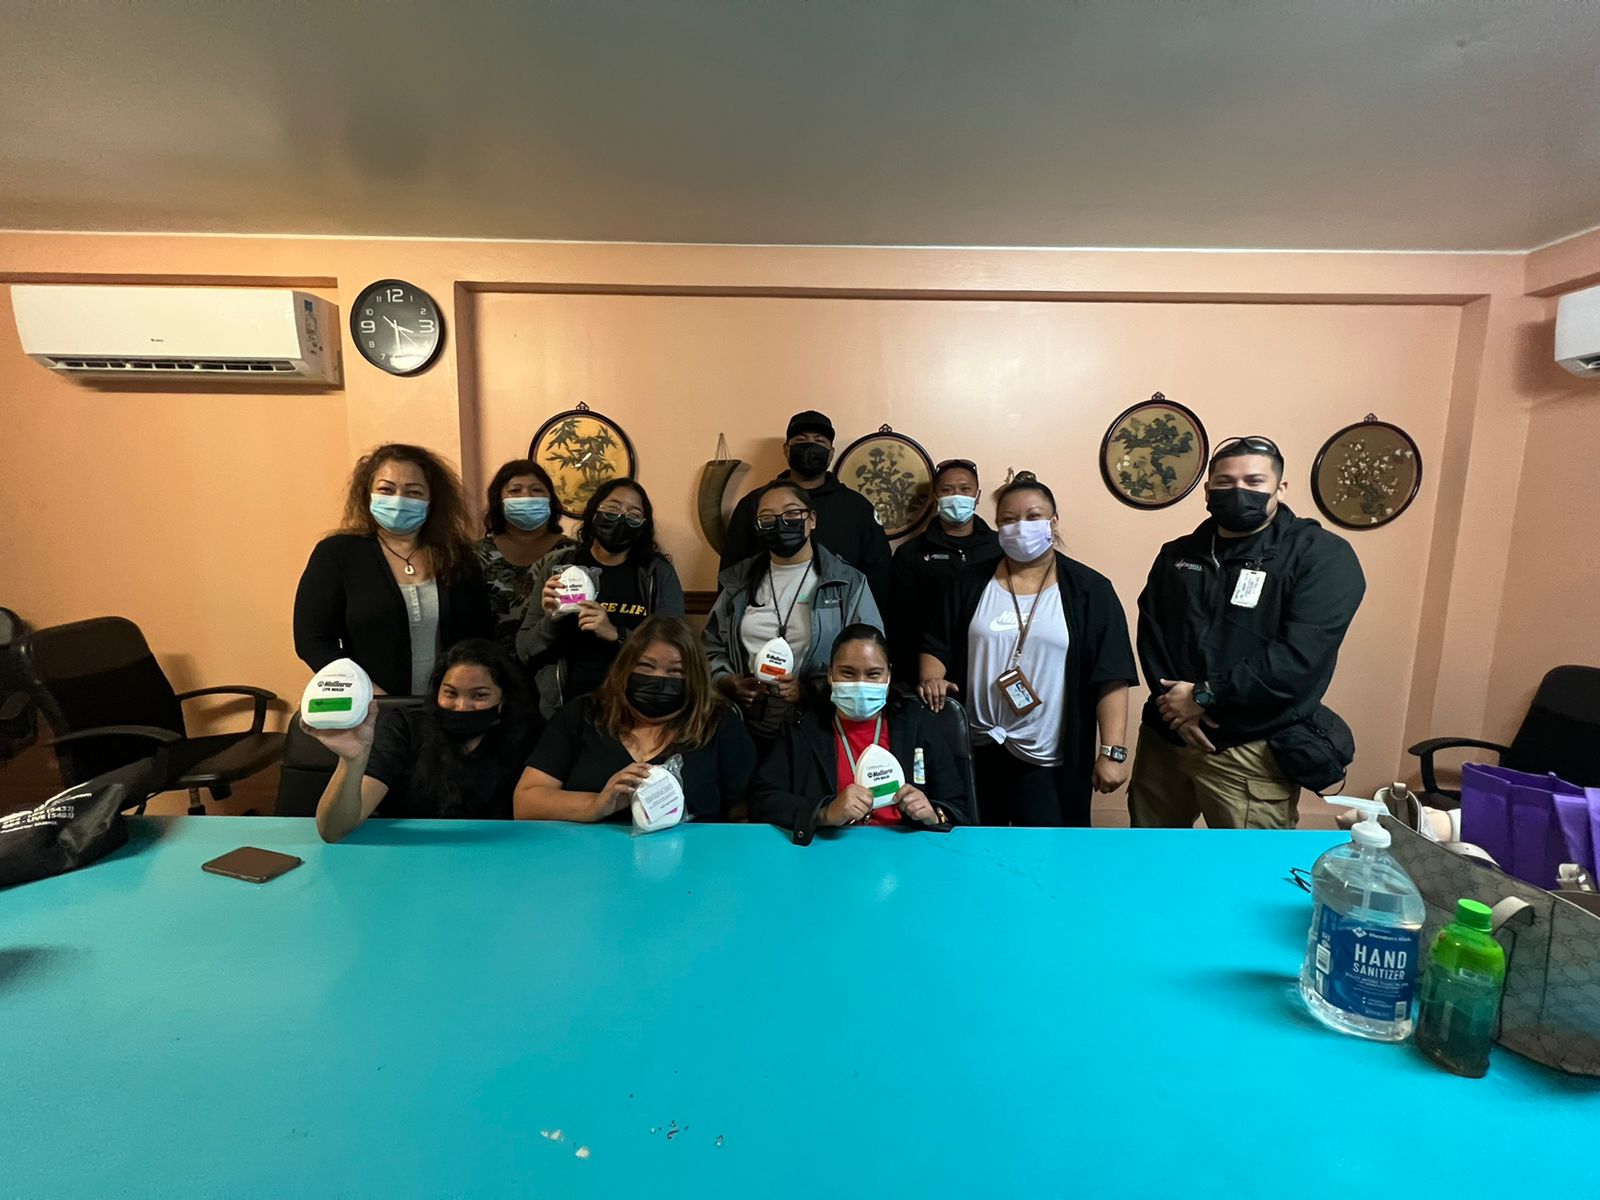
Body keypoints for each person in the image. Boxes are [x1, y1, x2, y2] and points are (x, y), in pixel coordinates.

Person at [1129, 436, 1366, 830]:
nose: (1238, 492)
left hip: (1248, 747)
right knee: (1149, 861)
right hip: (1166, 739)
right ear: (1207, 490)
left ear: (1280, 488)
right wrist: (1175, 707)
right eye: (1224, 482)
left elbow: (1299, 658)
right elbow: (1151, 632)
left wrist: (1206, 696)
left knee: (1247, 876)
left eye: (1254, 482)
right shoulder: (1178, 554)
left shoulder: (1321, 556)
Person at [920, 471, 1137, 828]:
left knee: (1046, 856)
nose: (1021, 526)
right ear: (996, 525)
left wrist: (1112, 752)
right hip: (977, 750)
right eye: (1008, 519)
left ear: (1053, 521)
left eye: (1033, 516)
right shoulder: (967, 584)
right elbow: (936, 644)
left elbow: (1111, 675)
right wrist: (933, 677)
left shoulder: (1090, 590)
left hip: (1050, 757)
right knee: (975, 851)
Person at [294, 443, 492, 696]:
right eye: (387, 490)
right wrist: (363, 689)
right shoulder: (337, 553)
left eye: (414, 492)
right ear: (367, 495)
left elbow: (481, 634)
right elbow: (312, 640)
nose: (399, 500)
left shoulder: (457, 555)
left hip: (449, 710)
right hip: (371, 710)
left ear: (432, 500)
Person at [514, 616, 755, 822]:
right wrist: (597, 804)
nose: (659, 679)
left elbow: (743, 812)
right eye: (646, 667)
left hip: (691, 863)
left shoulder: (718, 723)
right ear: (625, 668)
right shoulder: (582, 714)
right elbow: (526, 802)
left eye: (676, 671)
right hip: (589, 862)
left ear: (694, 677)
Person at [751, 624, 970, 844]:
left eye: (873, 674)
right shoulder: (800, 728)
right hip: (827, 850)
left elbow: (958, 806)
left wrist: (932, 815)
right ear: (830, 674)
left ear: (888, 675)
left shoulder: (917, 724)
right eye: (848, 673)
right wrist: (823, 813)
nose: (860, 684)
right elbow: (763, 799)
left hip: (907, 849)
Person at [704, 481, 883, 749]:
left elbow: (868, 658)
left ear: (811, 520)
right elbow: (709, 645)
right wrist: (727, 681)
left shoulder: (847, 582)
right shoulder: (737, 583)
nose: (780, 524)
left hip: (818, 726)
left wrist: (810, 691)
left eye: (791, 514)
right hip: (743, 725)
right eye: (767, 518)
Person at [310, 639, 540, 842]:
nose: (462, 706)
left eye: (479, 695)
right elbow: (333, 830)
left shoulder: (527, 735)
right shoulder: (404, 727)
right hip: (402, 860)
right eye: (450, 693)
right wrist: (352, 761)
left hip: (493, 862)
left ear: (503, 699)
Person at [514, 478, 684, 719]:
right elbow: (525, 651)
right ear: (593, 513)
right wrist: (551, 620)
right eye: (612, 509)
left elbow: (675, 647)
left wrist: (617, 634)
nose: (621, 519)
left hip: (635, 708)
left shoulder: (657, 572)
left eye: (634, 515)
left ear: (643, 526)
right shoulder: (559, 565)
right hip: (565, 707)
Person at [718, 410, 892, 609]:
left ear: (831, 453)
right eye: (801, 440)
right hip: (763, 621)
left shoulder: (857, 507)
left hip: (841, 623)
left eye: (819, 441)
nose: (810, 446)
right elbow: (731, 571)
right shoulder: (754, 504)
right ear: (786, 449)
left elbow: (879, 576)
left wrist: (868, 633)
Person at [888, 458, 1003, 681]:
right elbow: (900, 623)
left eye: (965, 489)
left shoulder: (1000, 548)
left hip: (988, 664)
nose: (956, 496)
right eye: (947, 490)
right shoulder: (911, 553)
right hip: (925, 671)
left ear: (977, 496)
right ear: (935, 497)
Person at [475, 458, 573, 651]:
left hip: (555, 669)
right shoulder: (475, 554)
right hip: (489, 670)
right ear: (499, 500)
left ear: (550, 499)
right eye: (515, 491)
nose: (526, 496)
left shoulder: (572, 553)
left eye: (537, 490)